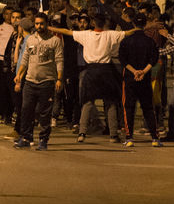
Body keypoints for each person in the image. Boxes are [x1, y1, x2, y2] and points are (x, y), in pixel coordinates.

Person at [50, 14, 135, 143]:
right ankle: (113, 135)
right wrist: (142, 28)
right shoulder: (111, 34)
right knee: (110, 103)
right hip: (106, 70)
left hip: (91, 70)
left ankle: (82, 133)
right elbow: (129, 32)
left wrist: (49, 27)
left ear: (93, 23)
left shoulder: (86, 34)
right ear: (104, 22)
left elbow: (66, 31)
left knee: (88, 102)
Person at [13, 13, 63, 150]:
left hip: (47, 81)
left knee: (44, 113)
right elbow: (25, 59)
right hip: (30, 81)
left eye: (41, 23)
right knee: (26, 110)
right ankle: (26, 137)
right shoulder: (30, 40)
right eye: (36, 24)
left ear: (46, 23)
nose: (39, 26)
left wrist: (59, 78)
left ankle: (43, 140)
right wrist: (19, 75)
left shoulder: (55, 41)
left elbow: (59, 60)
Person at [118, 13, 162, 147]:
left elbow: (123, 60)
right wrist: (143, 71)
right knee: (148, 108)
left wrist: (134, 71)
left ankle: (129, 137)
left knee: (129, 108)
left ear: (133, 24)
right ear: (144, 25)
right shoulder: (150, 41)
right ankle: (155, 138)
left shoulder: (126, 41)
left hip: (130, 79)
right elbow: (153, 60)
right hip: (145, 78)